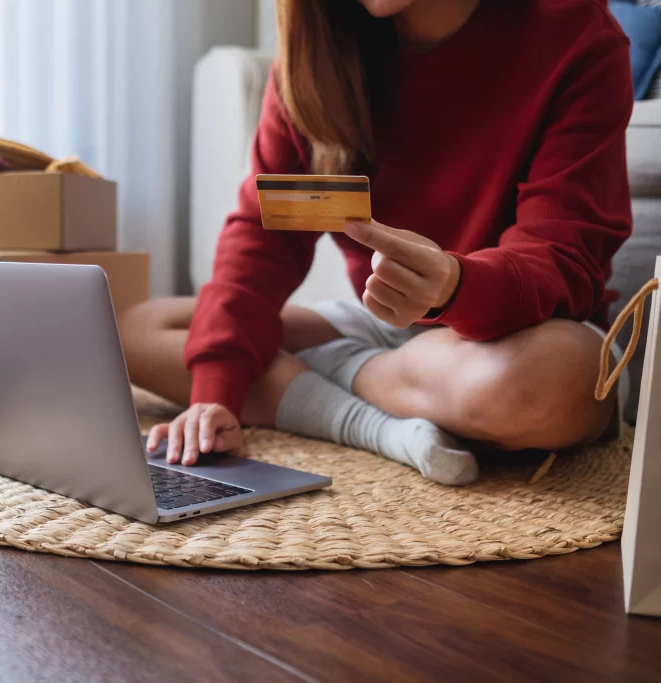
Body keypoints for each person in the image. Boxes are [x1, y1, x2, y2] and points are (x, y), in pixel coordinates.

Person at [120, 0, 634, 485]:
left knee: (553, 384)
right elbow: (262, 236)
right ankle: (382, 425)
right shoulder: (319, 47)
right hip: (389, 327)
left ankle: (340, 379)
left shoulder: (574, 29)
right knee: (136, 331)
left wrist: (455, 284)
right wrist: (214, 395)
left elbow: (562, 255)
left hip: (522, 332)